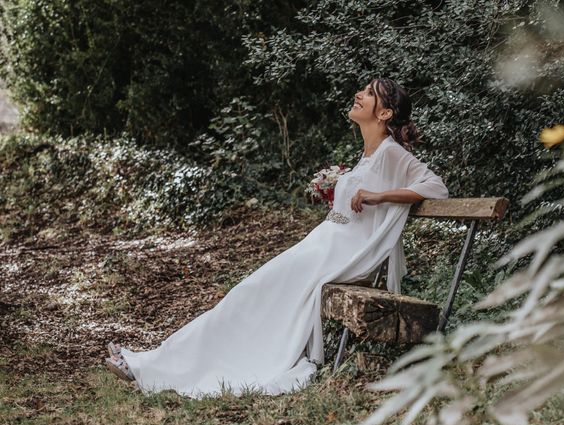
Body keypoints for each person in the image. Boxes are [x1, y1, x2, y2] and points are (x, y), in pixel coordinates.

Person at [105, 78, 449, 398]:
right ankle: (157, 361)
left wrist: (380, 196)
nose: (358, 95)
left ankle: (157, 366)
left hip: (341, 252)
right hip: (323, 245)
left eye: (369, 93)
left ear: (385, 113)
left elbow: (436, 187)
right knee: (247, 294)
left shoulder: (390, 151)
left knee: (249, 293)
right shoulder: (368, 154)